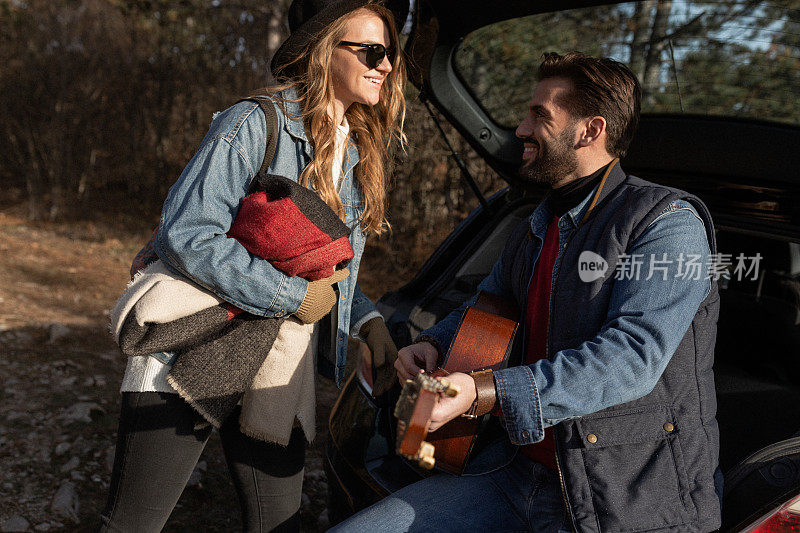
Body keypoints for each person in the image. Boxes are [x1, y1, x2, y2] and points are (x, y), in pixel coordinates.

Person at [332, 52, 722, 532]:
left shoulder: (667, 224)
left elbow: (633, 357)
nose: (519, 129)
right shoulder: (537, 224)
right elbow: (489, 309)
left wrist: (483, 390)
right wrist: (431, 344)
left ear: (590, 130)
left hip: (620, 501)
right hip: (512, 474)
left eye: (539, 115)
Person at [99, 1, 405, 531]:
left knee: (277, 521)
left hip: (278, 360)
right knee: (134, 523)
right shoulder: (252, 123)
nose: (386, 66)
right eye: (373, 51)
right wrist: (290, 298)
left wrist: (366, 320)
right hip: (195, 345)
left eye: (391, 54)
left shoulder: (356, 155)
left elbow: (329, 273)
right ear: (323, 50)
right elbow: (188, 234)